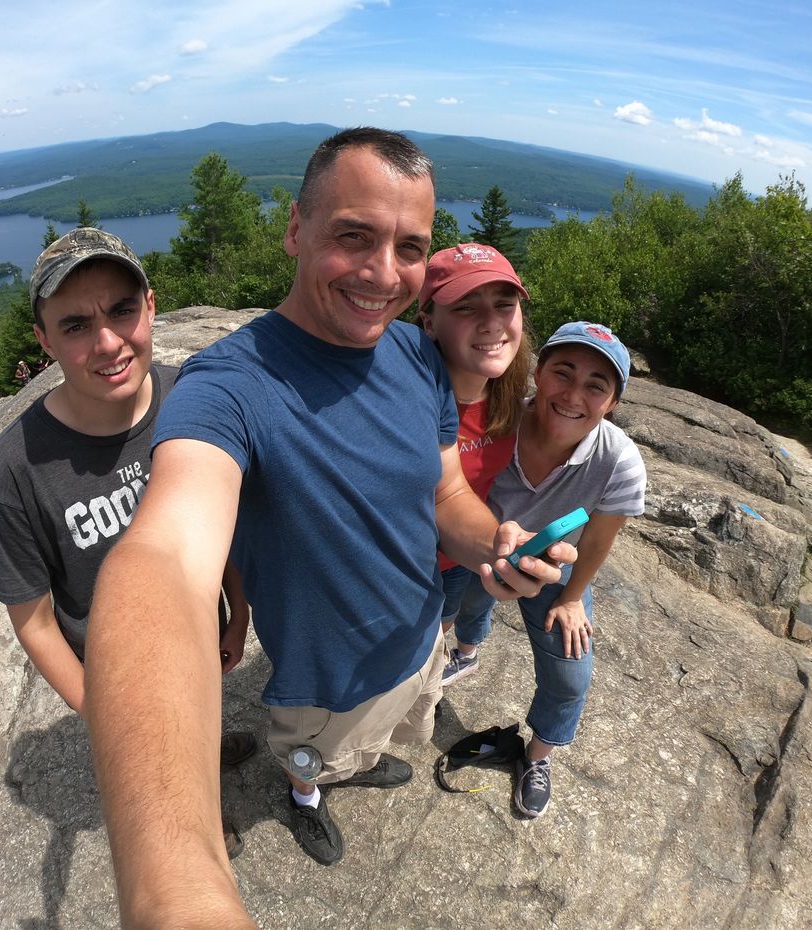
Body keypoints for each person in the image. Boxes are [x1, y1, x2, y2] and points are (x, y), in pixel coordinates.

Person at [85, 128, 576, 927]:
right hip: (323, 674)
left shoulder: (418, 356)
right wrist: (175, 885)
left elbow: (447, 488)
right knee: (313, 756)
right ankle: (306, 793)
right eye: (354, 236)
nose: (384, 273)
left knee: (382, 739)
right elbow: (167, 557)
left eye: (410, 247)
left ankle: (357, 766)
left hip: (419, 640)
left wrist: (492, 543)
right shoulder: (230, 386)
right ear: (294, 229)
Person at [0, 227, 255, 859]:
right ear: (44, 341)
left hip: (202, 631)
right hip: (117, 672)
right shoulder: (16, 471)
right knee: (171, 790)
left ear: (151, 306)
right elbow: (35, 620)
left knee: (201, 712)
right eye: (75, 325)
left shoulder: (194, 399)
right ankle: (206, 817)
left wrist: (239, 612)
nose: (107, 342)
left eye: (121, 310)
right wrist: (99, 711)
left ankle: (208, 751)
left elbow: (228, 523)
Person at [446, 321, 646, 820]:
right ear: (538, 371)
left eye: (596, 385)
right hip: (480, 544)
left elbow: (600, 537)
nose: (573, 394)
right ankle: (467, 652)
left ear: (613, 402)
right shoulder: (497, 420)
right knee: (470, 601)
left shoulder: (618, 460)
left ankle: (537, 757)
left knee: (570, 671)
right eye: (563, 372)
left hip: (553, 565)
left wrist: (573, 597)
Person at [416, 243, 533, 685]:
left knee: (438, 630)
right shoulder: (408, 398)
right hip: (404, 564)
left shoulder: (512, 397)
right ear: (429, 322)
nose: (491, 322)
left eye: (505, 304)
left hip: (464, 556)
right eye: (466, 307)